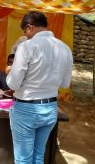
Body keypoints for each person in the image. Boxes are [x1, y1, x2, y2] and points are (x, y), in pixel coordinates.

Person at [6, 11, 73, 164]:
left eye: (25, 31)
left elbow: (13, 84)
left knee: (23, 159)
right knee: (38, 155)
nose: (26, 35)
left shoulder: (27, 46)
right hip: (50, 109)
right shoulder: (65, 48)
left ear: (29, 27)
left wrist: (9, 72)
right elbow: (64, 84)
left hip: (25, 109)